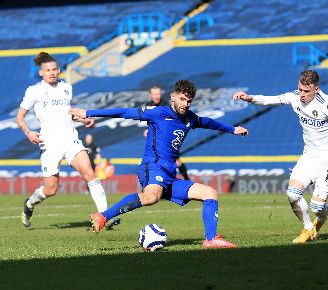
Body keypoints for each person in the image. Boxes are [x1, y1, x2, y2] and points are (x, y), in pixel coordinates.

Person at [70, 80, 248, 249]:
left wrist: (232, 129)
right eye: (182, 99)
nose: (185, 104)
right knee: (150, 197)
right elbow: (123, 112)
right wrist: (88, 112)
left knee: (210, 193)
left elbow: (208, 122)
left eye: (189, 101)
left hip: (170, 175)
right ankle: (103, 216)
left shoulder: (190, 118)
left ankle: (211, 239)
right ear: (172, 96)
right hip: (153, 166)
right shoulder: (157, 113)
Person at [232, 70, 328, 244]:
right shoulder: (294, 97)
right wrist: (249, 98)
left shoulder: (327, 104)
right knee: (292, 195)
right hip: (310, 155)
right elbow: (270, 99)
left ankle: (321, 218)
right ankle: (308, 228)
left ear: (317, 89)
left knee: (317, 206)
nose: (302, 94)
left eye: (307, 91)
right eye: (300, 89)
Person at [16, 52, 108, 228]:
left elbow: (66, 113)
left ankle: (104, 216)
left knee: (89, 173)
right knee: (51, 189)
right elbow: (20, 117)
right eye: (47, 70)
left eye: (54, 69)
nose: (51, 72)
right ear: (41, 73)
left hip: (70, 140)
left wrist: (82, 119)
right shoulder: (34, 91)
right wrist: (28, 132)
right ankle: (29, 204)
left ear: (59, 70)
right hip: (50, 144)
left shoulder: (66, 88)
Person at [143, 85, 191, 181]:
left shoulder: (166, 105)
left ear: (161, 94)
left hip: (168, 138)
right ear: (150, 95)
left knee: (176, 161)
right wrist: (147, 129)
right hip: (155, 139)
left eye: (158, 94)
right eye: (154, 94)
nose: (156, 96)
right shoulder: (148, 106)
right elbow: (149, 121)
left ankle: (186, 180)